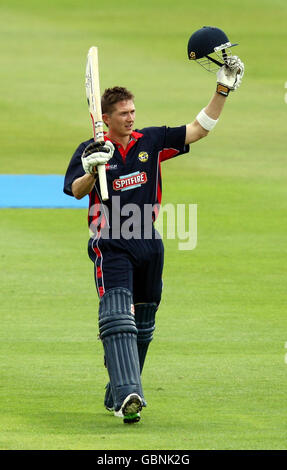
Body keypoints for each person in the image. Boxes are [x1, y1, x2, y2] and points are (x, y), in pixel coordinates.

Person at [63, 55, 244, 423]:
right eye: (124, 114)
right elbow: (76, 191)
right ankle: (130, 394)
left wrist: (222, 90)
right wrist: (91, 167)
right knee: (118, 317)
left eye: (133, 111)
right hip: (110, 240)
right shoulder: (91, 150)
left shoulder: (151, 140)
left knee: (143, 324)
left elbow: (199, 129)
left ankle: (118, 391)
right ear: (106, 119)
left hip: (149, 241)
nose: (131, 117)